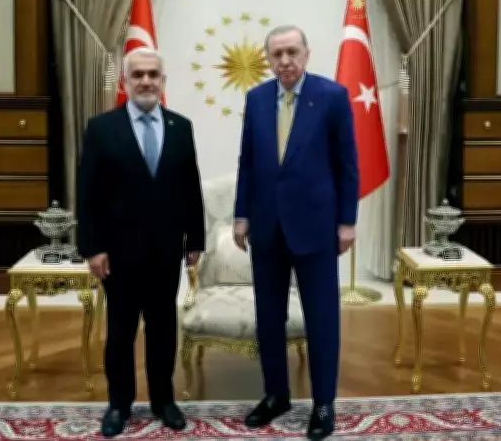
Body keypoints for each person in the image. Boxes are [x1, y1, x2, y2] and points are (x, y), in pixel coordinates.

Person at [233, 25, 360, 440]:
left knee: (321, 318)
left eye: (291, 52)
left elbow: (347, 163)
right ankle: (276, 395)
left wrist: (347, 221)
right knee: (269, 318)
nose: (285, 61)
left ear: (306, 53)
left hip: (317, 228)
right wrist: (241, 215)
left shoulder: (332, 96)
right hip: (267, 227)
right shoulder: (256, 98)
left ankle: (323, 403)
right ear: (268, 59)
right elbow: (247, 162)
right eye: (277, 54)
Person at [76, 47, 205, 437]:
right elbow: (87, 193)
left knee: (163, 328)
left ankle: (164, 400)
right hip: (118, 254)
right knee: (120, 332)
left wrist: (195, 239)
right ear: (125, 81)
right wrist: (92, 248)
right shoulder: (102, 128)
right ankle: (119, 404)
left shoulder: (181, 126)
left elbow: (190, 186)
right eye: (138, 75)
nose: (146, 81)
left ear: (163, 80)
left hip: (166, 250)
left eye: (153, 74)